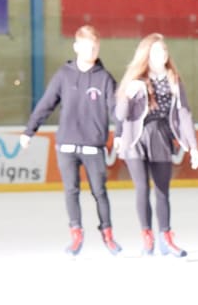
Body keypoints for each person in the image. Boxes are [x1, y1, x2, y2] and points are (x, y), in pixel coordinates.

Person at [21, 25, 123, 256]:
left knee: (99, 191)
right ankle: (76, 234)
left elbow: (116, 109)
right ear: (77, 46)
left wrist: (120, 134)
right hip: (66, 145)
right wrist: (29, 131)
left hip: (93, 146)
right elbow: (45, 104)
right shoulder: (63, 75)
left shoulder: (105, 78)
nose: (92, 51)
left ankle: (108, 234)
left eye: (96, 47)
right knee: (71, 190)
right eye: (88, 47)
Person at [115, 33, 198, 257]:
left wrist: (193, 147)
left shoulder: (173, 79)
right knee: (142, 188)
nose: (161, 54)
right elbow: (120, 114)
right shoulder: (137, 78)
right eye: (156, 51)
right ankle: (147, 237)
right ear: (146, 54)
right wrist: (128, 95)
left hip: (161, 137)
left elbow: (184, 114)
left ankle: (166, 237)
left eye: (164, 50)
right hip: (136, 138)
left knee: (162, 191)